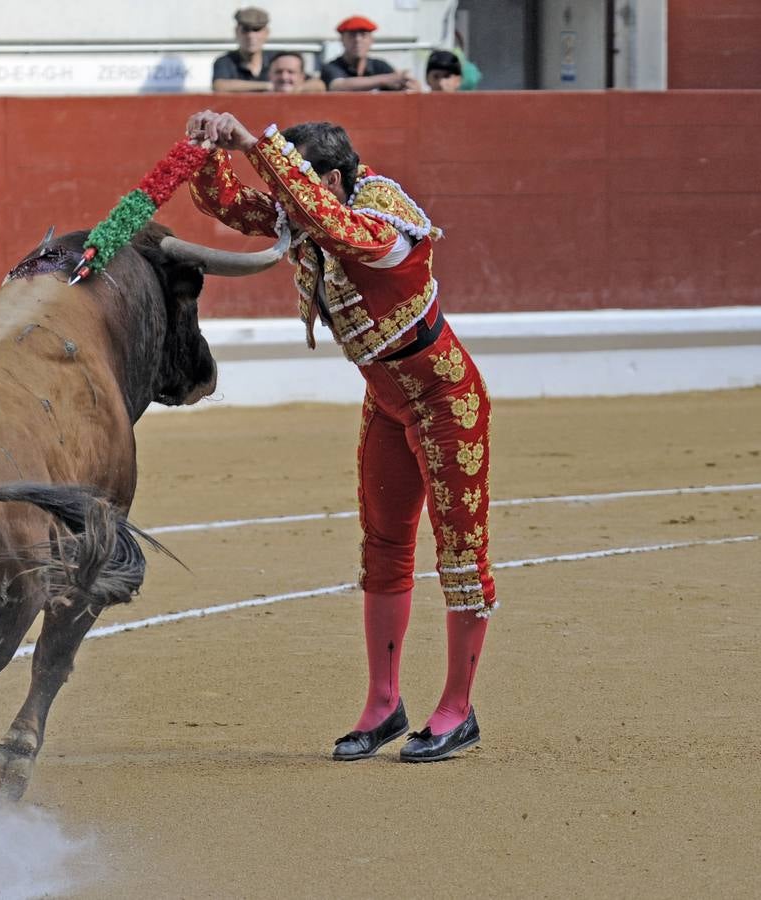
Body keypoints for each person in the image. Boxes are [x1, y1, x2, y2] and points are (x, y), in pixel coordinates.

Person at [184, 108, 496, 762]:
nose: (282, 197)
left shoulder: (384, 224)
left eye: (296, 177)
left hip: (445, 400)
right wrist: (209, 148)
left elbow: (333, 226)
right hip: (387, 401)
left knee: (460, 554)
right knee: (383, 547)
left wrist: (259, 145)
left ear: (328, 174)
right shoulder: (311, 209)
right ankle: (384, 706)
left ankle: (458, 711)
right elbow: (228, 203)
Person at [321, 15, 418, 93]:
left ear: (371, 40)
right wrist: (385, 80)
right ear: (342, 40)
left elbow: (399, 86)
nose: (357, 40)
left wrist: (407, 84)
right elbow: (338, 86)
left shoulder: (380, 66)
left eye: (363, 35)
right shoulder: (332, 67)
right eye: (352, 35)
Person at [211, 7, 272, 93]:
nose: (250, 36)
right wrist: (268, 86)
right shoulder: (225, 62)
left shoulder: (277, 60)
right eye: (245, 30)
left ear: (266, 33)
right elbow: (219, 86)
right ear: (236, 32)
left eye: (256, 30)